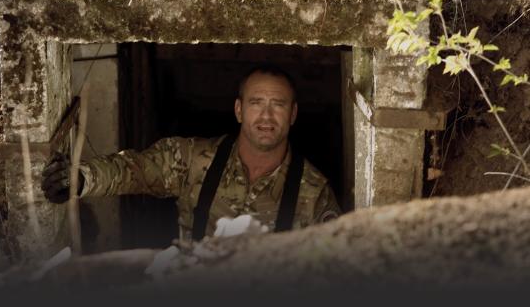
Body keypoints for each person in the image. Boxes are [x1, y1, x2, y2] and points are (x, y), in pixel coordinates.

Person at [41, 65, 342, 243]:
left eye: (278, 104)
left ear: (293, 114)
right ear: (239, 110)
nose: (266, 115)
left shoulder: (315, 192)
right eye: (256, 103)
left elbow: (337, 268)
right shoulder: (192, 159)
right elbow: (132, 169)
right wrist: (79, 179)